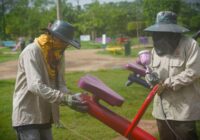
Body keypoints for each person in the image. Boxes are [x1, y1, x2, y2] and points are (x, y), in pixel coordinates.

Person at [12, 20, 88, 140]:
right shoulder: (32, 51)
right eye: (62, 41)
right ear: (52, 36)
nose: (64, 45)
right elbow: (35, 85)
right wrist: (64, 98)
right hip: (27, 115)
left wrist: (73, 99)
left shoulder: (58, 55)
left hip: (45, 113)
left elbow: (60, 85)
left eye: (66, 43)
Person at [144, 11, 200, 140]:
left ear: (174, 31)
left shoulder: (190, 45)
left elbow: (194, 72)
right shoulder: (155, 50)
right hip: (161, 110)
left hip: (184, 110)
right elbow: (150, 71)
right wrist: (150, 79)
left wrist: (167, 84)